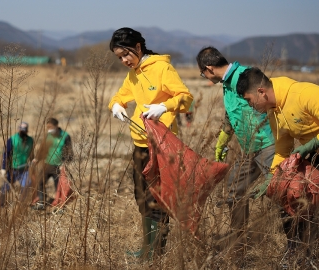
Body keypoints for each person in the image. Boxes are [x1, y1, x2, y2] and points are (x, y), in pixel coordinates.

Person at [108, 27, 193, 258]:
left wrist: (164, 106)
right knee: (141, 195)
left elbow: (185, 97)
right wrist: (116, 105)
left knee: (156, 197)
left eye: (126, 54)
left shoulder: (162, 68)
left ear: (138, 47)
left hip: (161, 144)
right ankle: (148, 248)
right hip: (140, 143)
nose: (124, 60)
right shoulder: (133, 73)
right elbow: (120, 96)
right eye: (119, 58)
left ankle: (155, 252)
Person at [236, 67, 319, 265]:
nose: (250, 105)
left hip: (314, 149)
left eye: (249, 100)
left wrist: (312, 144)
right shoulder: (274, 111)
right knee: (287, 194)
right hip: (312, 154)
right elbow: (282, 149)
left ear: (261, 92)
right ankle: (295, 252)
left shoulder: (304, 94)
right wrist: (273, 178)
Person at [196, 47, 275, 251]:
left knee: (280, 190)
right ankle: (240, 239)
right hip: (249, 148)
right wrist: (224, 137)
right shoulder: (226, 84)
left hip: (269, 143)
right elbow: (231, 113)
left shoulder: (246, 77)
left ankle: (295, 243)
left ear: (208, 68)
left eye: (202, 72)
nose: (203, 76)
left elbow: (271, 102)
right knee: (233, 188)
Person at [31, 117, 73, 210]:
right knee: (40, 182)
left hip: (58, 166)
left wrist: (64, 163)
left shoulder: (65, 136)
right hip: (47, 164)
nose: (49, 129)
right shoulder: (47, 136)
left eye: (51, 127)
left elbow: (69, 152)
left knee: (58, 185)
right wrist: (37, 158)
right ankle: (41, 202)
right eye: (48, 127)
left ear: (56, 126)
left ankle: (59, 203)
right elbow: (43, 149)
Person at [0, 122, 35, 206]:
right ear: (18, 129)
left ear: (27, 131)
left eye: (24, 130)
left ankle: (21, 203)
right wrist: (4, 168)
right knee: (6, 186)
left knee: (26, 185)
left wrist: (33, 160)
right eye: (21, 130)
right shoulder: (12, 139)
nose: (22, 132)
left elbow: (31, 153)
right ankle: (0, 203)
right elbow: (6, 154)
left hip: (25, 169)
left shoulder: (30, 140)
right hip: (12, 168)